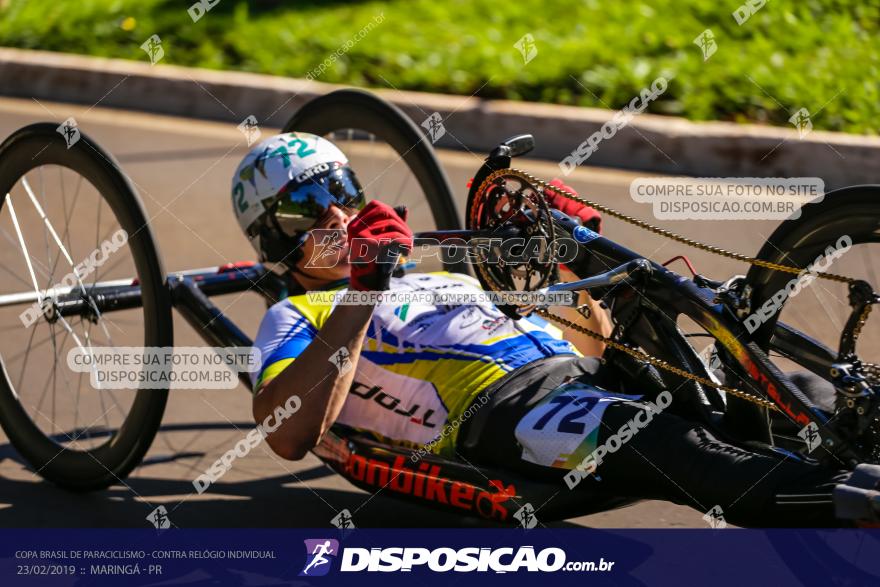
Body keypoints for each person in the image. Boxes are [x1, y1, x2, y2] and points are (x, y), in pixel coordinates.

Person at [232, 132, 854, 527]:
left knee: (797, 397)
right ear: (276, 243)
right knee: (680, 451)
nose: (336, 214)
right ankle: (859, 503)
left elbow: (592, 341)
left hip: (584, 372)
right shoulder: (294, 316)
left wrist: (572, 255)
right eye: (304, 211)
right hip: (503, 408)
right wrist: (364, 285)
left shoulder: (431, 275)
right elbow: (289, 434)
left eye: (340, 191)